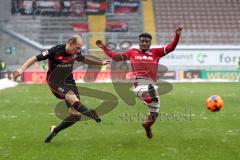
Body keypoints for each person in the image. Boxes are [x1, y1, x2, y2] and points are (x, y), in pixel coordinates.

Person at [13, 35, 109, 143]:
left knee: (76, 115)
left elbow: (84, 60)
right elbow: (35, 58)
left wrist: (101, 62)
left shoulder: (76, 52)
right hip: (55, 81)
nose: (79, 50)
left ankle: (55, 130)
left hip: (69, 81)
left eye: (80, 48)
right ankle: (91, 113)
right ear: (70, 43)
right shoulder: (56, 50)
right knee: (72, 98)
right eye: (77, 47)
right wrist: (21, 70)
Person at [96, 26, 182, 139]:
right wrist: (104, 47)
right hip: (139, 83)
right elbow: (116, 57)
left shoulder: (156, 52)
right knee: (147, 95)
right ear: (139, 42)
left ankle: (147, 126)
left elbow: (170, 48)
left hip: (152, 84)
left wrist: (177, 36)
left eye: (147, 42)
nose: (144, 43)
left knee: (154, 114)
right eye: (142, 41)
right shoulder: (132, 52)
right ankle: (150, 97)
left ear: (150, 43)